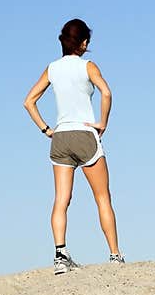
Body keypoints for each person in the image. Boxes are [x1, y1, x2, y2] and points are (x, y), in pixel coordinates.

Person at [23, 18, 125, 274]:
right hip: (84, 133)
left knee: (61, 200)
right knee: (102, 197)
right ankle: (115, 256)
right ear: (84, 42)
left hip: (61, 137)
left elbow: (29, 101)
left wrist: (46, 129)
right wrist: (102, 123)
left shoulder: (52, 68)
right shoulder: (88, 66)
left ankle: (60, 256)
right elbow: (107, 92)